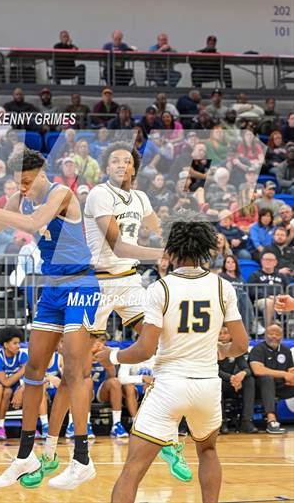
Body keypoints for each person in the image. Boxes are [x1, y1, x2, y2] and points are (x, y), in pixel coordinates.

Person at [20, 143, 190, 489]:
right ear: (107, 167)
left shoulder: (140, 198)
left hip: (128, 282)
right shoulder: (99, 194)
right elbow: (118, 246)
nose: (119, 164)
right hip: (93, 283)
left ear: (133, 169)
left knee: (168, 346)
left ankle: (171, 438)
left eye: (125, 160)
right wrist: (166, 252)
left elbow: (160, 228)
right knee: (74, 372)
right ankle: (51, 454)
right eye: (113, 159)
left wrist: (185, 238)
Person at [0, 148, 100, 490]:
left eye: (28, 182)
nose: (24, 188)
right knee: (33, 370)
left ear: (42, 173)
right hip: (52, 288)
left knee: (74, 371)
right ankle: (25, 455)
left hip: (80, 284)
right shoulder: (21, 198)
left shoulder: (61, 192)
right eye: (19, 183)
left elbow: (34, 224)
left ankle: (82, 458)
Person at [95, 214, 248, 503]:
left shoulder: (161, 288)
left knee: (133, 469)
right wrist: (222, 351)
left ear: (173, 250)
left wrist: (111, 353)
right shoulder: (222, 287)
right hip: (206, 385)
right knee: (208, 451)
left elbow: (145, 349)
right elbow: (240, 344)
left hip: (170, 385)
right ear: (205, 249)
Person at [249, 323, 294, 434]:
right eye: (271, 333)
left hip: (281, 387)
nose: (274, 336)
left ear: (281, 336)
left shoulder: (286, 351)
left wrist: (291, 378)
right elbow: (257, 370)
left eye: (277, 334)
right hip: (259, 388)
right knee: (267, 378)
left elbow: (291, 371)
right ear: (265, 335)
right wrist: (284, 374)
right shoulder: (258, 349)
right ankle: (271, 420)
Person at [0, 327, 28, 441]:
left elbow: (29, 379)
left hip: (18, 389)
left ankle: (29, 428)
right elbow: (5, 382)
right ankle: (0, 427)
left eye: (19, 343)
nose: (18, 346)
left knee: (30, 391)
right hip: (0, 392)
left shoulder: (23, 355)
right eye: (15, 343)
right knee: (7, 391)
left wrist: (21, 390)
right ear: (5, 344)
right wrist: (22, 370)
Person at [218, 326, 257, 434]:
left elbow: (247, 368)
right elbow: (213, 370)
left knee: (249, 379)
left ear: (231, 335)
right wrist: (232, 378)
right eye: (219, 333)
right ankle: (221, 422)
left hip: (235, 385)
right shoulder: (211, 348)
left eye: (225, 332)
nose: (222, 335)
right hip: (220, 383)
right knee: (215, 381)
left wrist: (242, 374)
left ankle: (246, 421)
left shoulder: (236, 348)